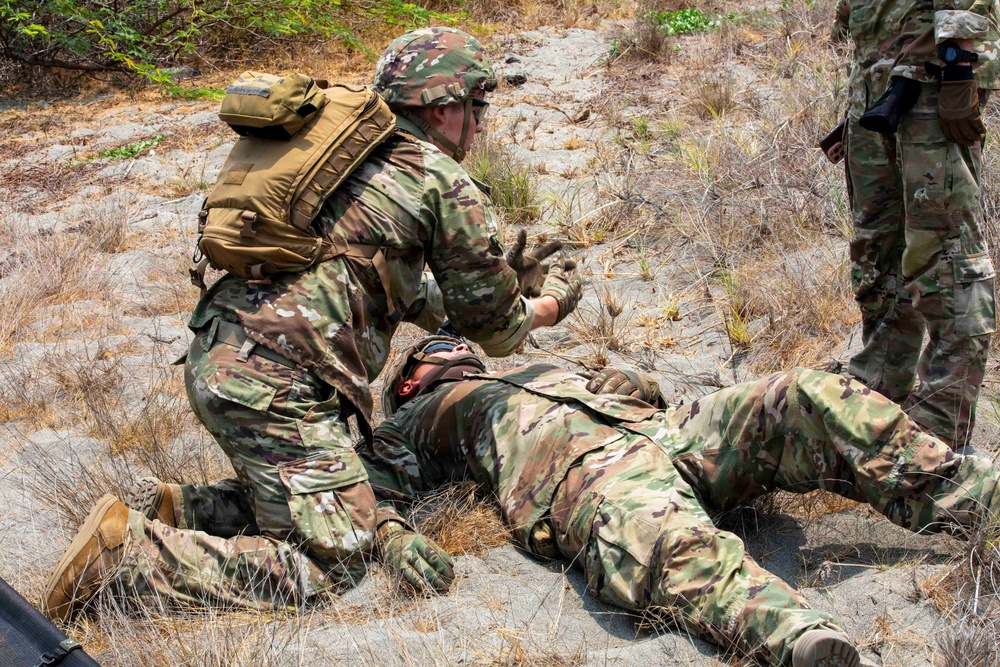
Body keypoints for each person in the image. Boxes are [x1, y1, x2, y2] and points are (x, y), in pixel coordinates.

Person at [39, 27, 583, 622]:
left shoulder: (343, 155)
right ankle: (131, 560)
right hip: (277, 386)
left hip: (221, 352)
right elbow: (497, 332)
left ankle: (183, 511)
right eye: (477, 107)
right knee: (334, 563)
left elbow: (394, 284)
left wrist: (501, 278)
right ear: (442, 106)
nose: (479, 125)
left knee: (331, 499)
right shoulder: (438, 177)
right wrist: (550, 303)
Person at [361, 336, 998, 666]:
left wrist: (632, 379)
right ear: (412, 378)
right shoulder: (418, 417)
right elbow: (366, 484)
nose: (457, 347)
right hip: (588, 474)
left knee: (805, 394)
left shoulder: (537, 366)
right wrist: (392, 535)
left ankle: (975, 501)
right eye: (437, 350)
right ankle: (799, 637)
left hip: (674, 430)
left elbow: (648, 387)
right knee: (667, 543)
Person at [832, 0, 999, 448]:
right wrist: (854, 98)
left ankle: (941, 426)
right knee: (877, 248)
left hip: (931, 89)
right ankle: (880, 384)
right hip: (873, 90)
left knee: (945, 255)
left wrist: (961, 68)